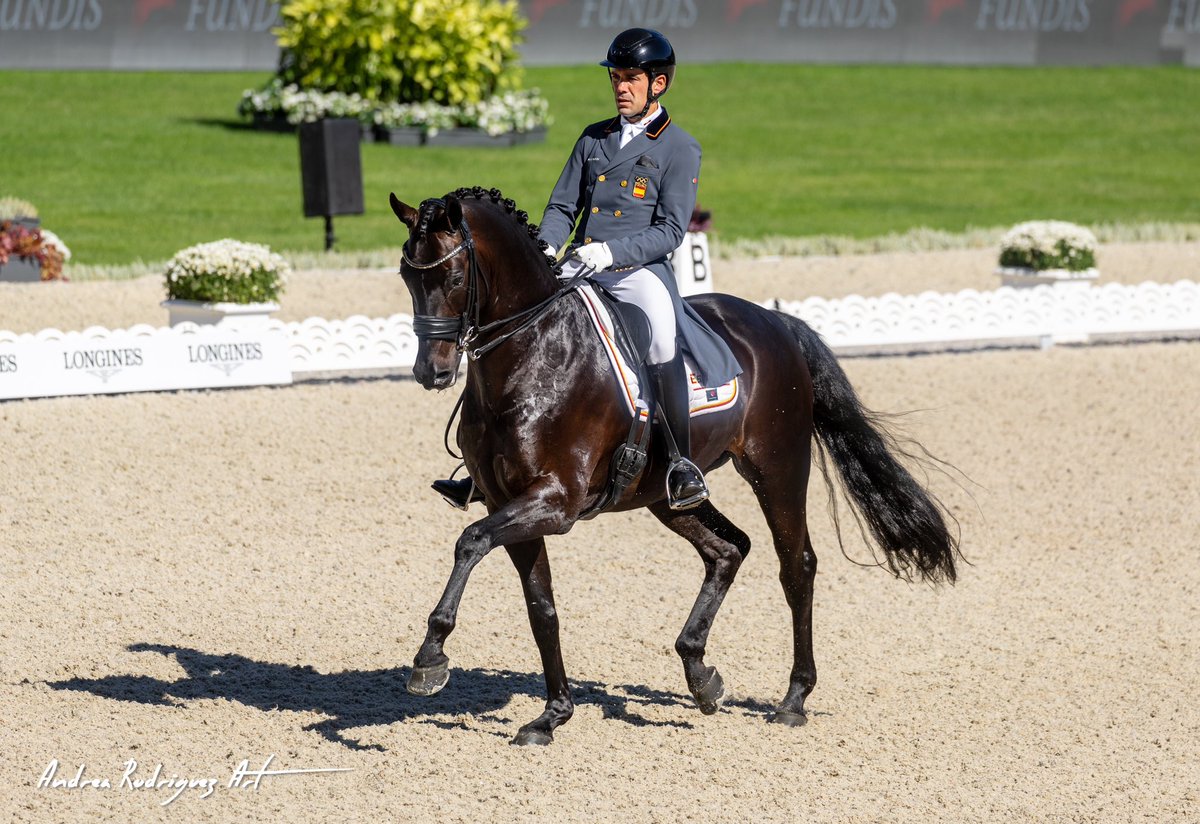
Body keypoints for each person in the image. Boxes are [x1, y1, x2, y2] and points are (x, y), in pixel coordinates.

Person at [433, 27, 741, 511]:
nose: (621, 86)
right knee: (519, 329)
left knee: (662, 336)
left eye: (631, 78)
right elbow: (561, 207)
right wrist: (549, 249)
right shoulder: (593, 138)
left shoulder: (679, 148)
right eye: (616, 78)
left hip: (639, 272)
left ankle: (682, 465)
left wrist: (610, 253)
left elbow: (670, 231)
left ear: (657, 84)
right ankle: (481, 467)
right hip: (580, 264)